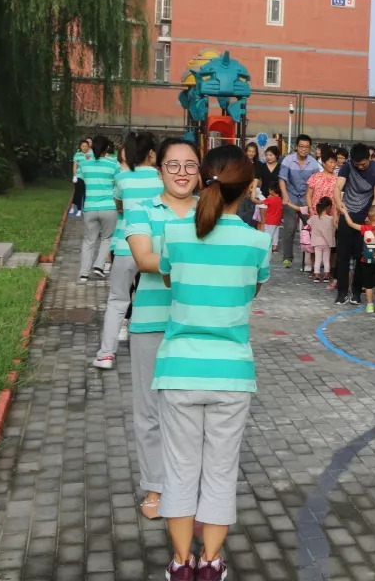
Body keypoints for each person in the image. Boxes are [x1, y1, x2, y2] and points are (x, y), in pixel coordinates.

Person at [154, 144, 271, 581]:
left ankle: (181, 563)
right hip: (232, 373)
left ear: (205, 179)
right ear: (247, 187)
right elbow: (249, 293)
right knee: (221, 471)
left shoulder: (176, 234)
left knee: (180, 469)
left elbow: (171, 282)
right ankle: (212, 562)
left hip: (179, 368)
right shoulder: (258, 242)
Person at [123, 137, 200, 521]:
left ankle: (187, 484)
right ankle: (155, 484)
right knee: (150, 410)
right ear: (160, 170)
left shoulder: (210, 212)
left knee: (191, 410)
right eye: (174, 165)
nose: (182, 173)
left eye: (190, 165)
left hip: (198, 324)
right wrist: (196, 257)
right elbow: (143, 258)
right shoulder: (141, 211)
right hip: (152, 321)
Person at [93, 131, 162, 370]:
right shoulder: (162, 180)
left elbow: (120, 207)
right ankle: (151, 352)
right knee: (152, 300)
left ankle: (106, 354)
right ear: (152, 153)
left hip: (124, 246)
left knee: (117, 300)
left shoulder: (123, 179)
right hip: (153, 248)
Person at [334, 143, 375, 305]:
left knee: (361, 256)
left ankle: (356, 292)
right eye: (357, 164)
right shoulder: (348, 167)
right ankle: (342, 292)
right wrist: (339, 205)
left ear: (369, 158)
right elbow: (337, 187)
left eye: (363, 164)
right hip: (347, 213)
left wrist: (371, 216)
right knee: (342, 255)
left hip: (365, 217)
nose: (360, 167)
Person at [79, 135, 121, 283]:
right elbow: (118, 185)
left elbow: (83, 179)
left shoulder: (84, 164)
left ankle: (83, 274)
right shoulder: (114, 164)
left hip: (90, 207)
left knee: (89, 241)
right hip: (109, 208)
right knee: (106, 238)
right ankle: (99, 266)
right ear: (106, 149)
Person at [277, 135, 321, 268]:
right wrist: (285, 196)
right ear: (297, 147)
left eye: (307, 147)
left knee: (313, 227)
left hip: (307, 198)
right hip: (291, 197)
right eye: (301, 146)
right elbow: (282, 179)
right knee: (289, 228)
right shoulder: (288, 160)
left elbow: (315, 183)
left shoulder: (313, 163)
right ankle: (287, 258)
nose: (304, 149)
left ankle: (314, 259)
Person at [339, 204, 375, 313]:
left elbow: (351, 224)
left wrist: (345, 212)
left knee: (368, 285)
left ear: (369, 217)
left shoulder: (365, 228)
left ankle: (370, 305)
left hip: (366, 261)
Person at [308, 197, 335, 283]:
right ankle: (327, 275)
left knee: (318, 259)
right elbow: (335, 227)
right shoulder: (331, 219)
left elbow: (308, 223)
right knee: (326, 259)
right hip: (327, 242)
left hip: (316, 242)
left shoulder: (314, 218)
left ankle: (317, 275)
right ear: (328, 207)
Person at [71, 137, 92, 216]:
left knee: (86, 193)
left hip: (88, 177)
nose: (84, 147)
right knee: (79, 193)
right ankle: (79, 209)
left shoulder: (91, 154)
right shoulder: (77, 154)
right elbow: (74, 166)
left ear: (88, 146)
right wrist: (74, 176)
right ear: (80, 146)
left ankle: (85, 209)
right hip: (79, 176)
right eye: (83, 146)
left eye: (86, 146)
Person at [263, 187, 283, 251]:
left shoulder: (270, 199)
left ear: (272, 191)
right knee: (275, 234)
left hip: (270, 220)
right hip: (277, 220)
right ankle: (274, 247)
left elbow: (261, 203)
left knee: (268, 234)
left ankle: (267, 247)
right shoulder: (280, 199)